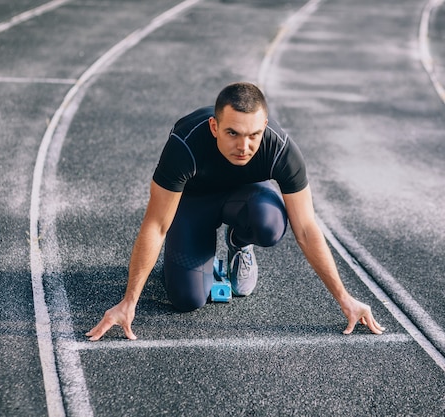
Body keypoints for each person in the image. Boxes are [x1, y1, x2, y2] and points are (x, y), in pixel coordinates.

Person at [86, 82, 384, 341]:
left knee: (269, 223)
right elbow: (155, 225)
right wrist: (129, 301)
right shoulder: (185, 143)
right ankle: (183, 262)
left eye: (254, 134)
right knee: (187, 299)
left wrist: (345, 299)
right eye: (232, 133)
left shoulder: (281, 150)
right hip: (193, 205)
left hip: (245, 201)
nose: (244, 146)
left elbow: (306, 229)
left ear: (264, 126)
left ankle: (239, 244)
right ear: (214, 126)